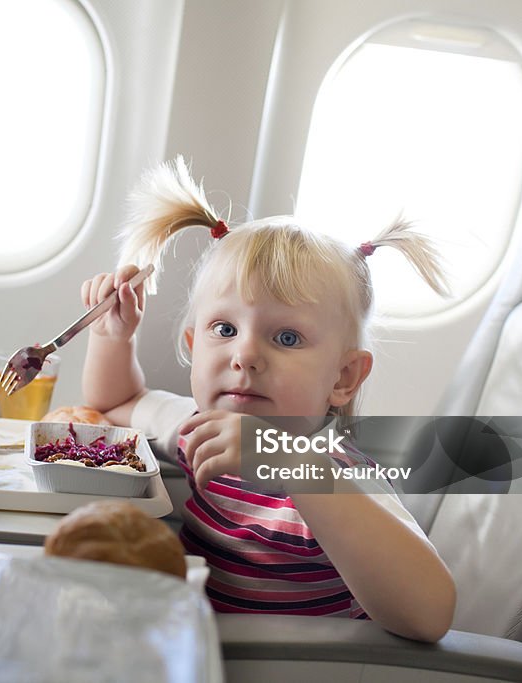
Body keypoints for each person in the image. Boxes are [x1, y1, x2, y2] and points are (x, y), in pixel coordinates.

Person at [81, 156, 456, 642]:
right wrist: (113, 336)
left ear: (343, 377)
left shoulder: (336, 473)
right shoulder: (205, 429)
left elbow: (428, 614)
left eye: (286, 339)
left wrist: (283, 460)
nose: (245, 356)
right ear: (195, 347)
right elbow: (118, 400)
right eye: (225, 329)